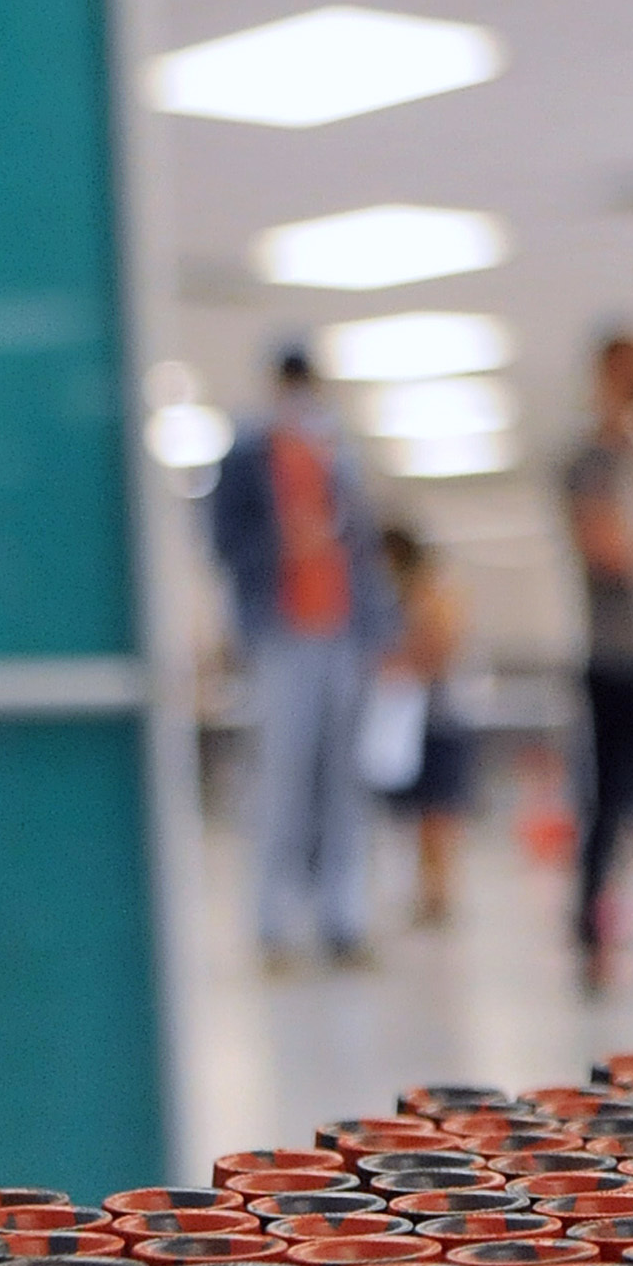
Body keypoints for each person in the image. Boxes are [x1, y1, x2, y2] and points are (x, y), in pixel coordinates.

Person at [205, 342, 390, 971]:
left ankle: (344, 919)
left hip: (342, 633)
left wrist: (378, 632)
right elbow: (222, 540)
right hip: (282, 634)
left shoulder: (338, 454)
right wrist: (280, 547)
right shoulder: (248, 454)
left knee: (344, 785)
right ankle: (273, 923)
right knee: (281, 782)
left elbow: (363, 548)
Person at [564, 333, 633, 991]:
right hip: (615, 661)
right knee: (607, 810)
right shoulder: (591, 464)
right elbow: (609, 550)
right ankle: (592, 940)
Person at [372, 525, 474, 928]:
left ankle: (437, 893)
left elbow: (440, 648)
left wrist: (407, 661)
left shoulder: (433, 595)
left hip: (438, 720)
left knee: (437, 814)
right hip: (404, 720)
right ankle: (424, 891)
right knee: (415, 816)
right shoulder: (388, 602)